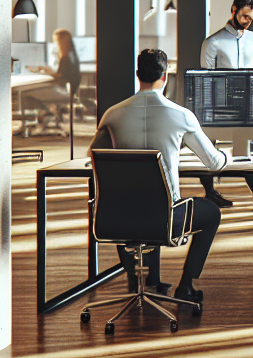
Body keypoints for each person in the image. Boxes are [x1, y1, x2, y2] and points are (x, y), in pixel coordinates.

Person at [91, 49, 225, 304]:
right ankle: (186, 285)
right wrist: (227, 156)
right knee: (211, 213)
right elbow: (214, 162)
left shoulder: (112, 115)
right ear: (165, 76)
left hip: (118, 217)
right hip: (166, 220)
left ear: (137, 74)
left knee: (138, 196)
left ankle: (139, 278)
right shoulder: (181, 116)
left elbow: (94, 157)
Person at [199, 0, 253, 211]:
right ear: (233, 9)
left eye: (251, 18)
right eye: (244, 16)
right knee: (209, 145)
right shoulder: (213, 42)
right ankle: (211, 193)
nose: (247, 21)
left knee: (242, 149)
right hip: (218, 103)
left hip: (245, 103)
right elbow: (205, 78)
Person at [26, 28, 82, 131]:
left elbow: (63, 77)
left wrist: (50, 73)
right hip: (68, 89)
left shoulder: (65, 58)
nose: (55, 44)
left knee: (29, 92)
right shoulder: (70, 55)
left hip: (63, 90)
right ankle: (47, 115)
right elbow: (64, 74)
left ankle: (45, 115)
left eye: (56, 41)